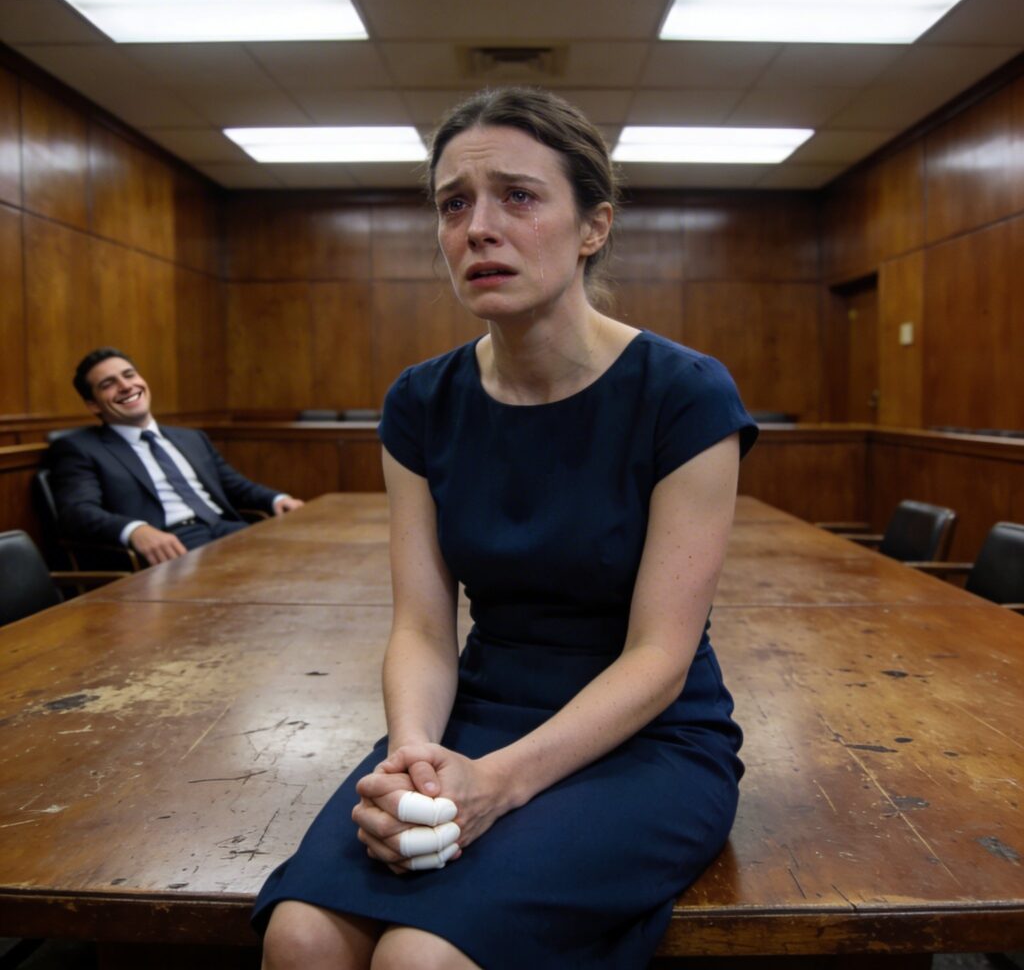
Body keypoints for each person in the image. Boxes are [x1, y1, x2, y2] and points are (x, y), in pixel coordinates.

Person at [254, 87, 758, 970]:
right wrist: (414, 755)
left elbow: (660, 657)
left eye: (518, 197)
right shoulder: (421, 401)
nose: (478, 228)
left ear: (593, 226)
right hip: (475, 718)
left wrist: (498, 784)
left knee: (421, 958)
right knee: (300, 937)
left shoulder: (684, 393)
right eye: (454, 204)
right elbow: (422, 628)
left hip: (646, 739)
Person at [47, 347, 303, 566]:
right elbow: (77, 512)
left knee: (299, 557)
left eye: (129, 375)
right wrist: (135, 530)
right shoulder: (79, 448)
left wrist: (278, 499)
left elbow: (235, 485)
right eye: (108, 384)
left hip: (227, 529)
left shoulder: (191, 438)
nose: (125, 386)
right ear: (93, 404)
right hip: (173, 545)